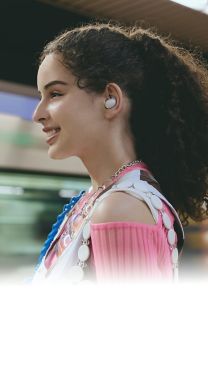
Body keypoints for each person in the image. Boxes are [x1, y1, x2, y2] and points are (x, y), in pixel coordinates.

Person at [32, 22, 208, 284]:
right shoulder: (102, 198)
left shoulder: (122, 207)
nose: (38, 114)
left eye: (55, 94)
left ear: (110, 98)